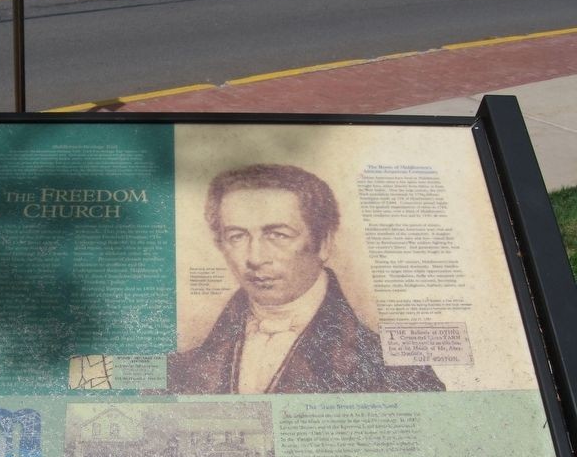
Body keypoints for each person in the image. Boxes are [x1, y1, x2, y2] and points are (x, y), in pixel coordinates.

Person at [167, 164, 444, 394]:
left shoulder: (399, 373)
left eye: (277, 235)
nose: (254, 257)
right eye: (237, 236)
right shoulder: (178, 371)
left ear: (323, 242)